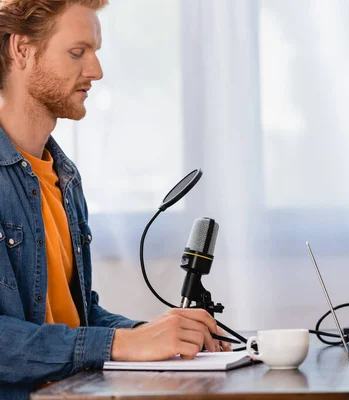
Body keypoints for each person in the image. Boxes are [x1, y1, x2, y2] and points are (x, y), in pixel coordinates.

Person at [0, 1, 230, 398]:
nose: (96, 71)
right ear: (21, 50)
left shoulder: (63, 177)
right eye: (78, 52)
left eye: (95, 52)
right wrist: (123, 344)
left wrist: (151, 333)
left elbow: (77, 316)